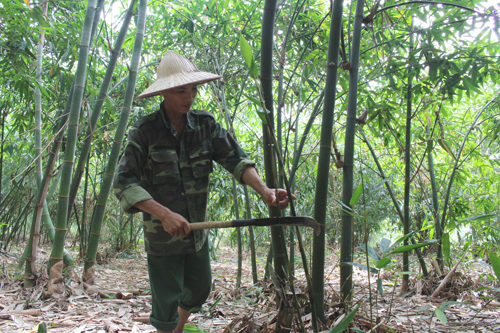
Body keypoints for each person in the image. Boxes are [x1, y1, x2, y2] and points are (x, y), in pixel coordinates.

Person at [113, 51, 294, 333]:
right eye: (180, 90)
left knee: (199, 289)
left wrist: (265, 190)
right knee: (166, 301)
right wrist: (163, 214)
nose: (189, 96)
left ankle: (178, 328)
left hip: (197, 232)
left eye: (194, 89)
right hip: (163, 236)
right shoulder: (145, 131)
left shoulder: (205, 125)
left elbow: (235, 159)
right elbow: (124, 182)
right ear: (163, 93)